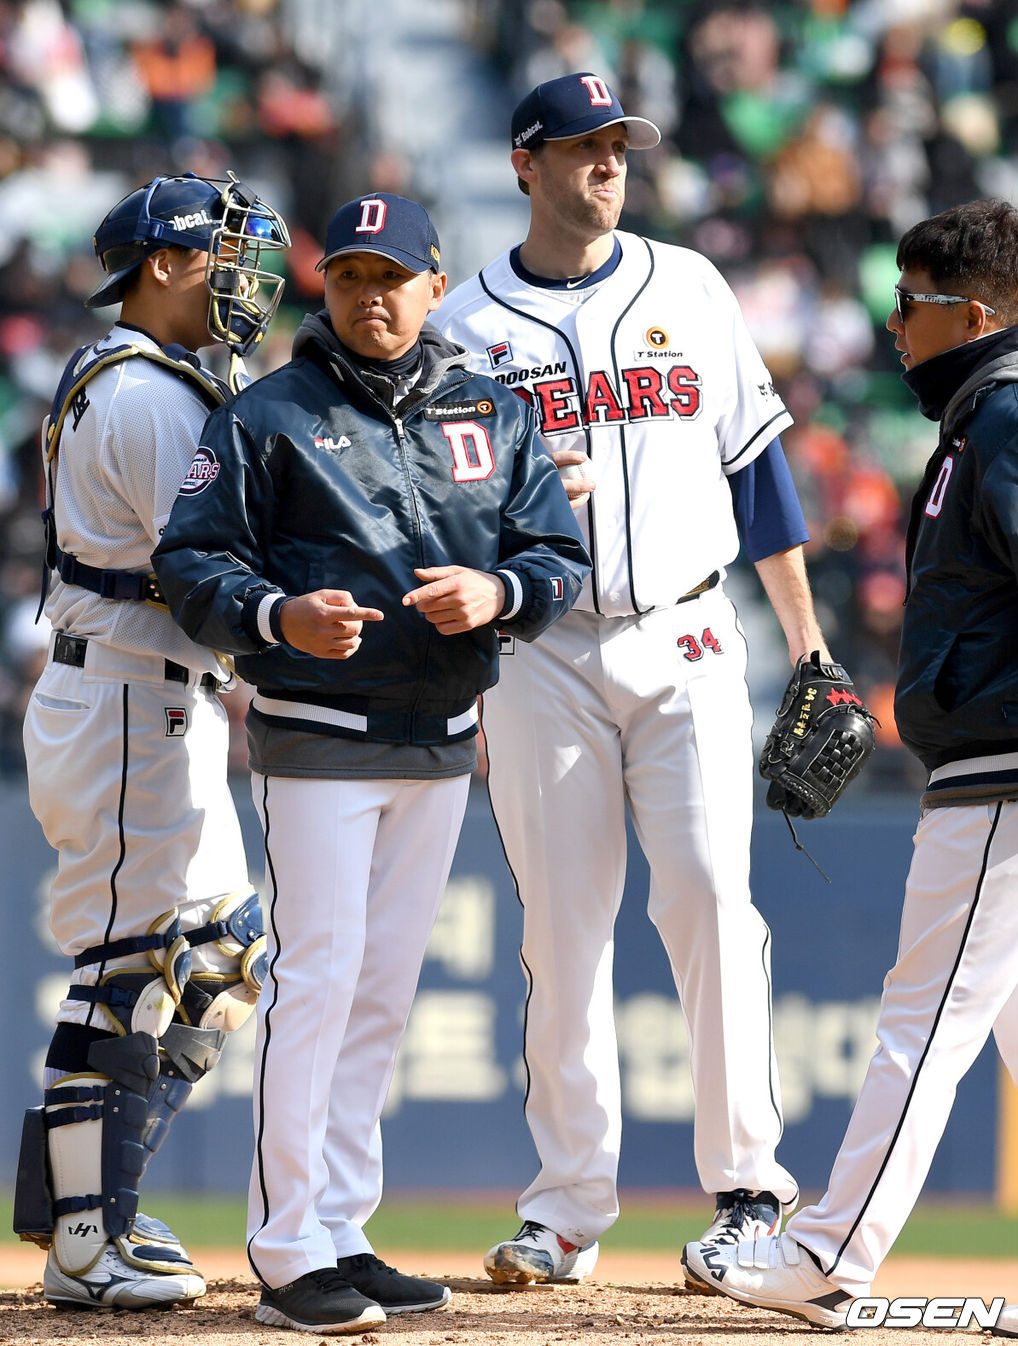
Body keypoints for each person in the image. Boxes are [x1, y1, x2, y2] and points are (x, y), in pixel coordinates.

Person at [151, 191, 591, 1335]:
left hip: (442, 738)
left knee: (382, 993)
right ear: (324, 288)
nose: (371, 294)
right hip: (318, 736)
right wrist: (274, 614)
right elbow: (190, 561)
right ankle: (290, 1243)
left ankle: (343, 1223)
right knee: (320, 980)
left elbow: (555, 552)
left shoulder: (490, 410)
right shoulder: (269, 413)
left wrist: (500, 591)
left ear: (435, 285)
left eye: (392, 275)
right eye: (349, 276)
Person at [436, 70, 834, 1287]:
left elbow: (759, 479)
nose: (607, 163)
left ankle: (751, 1190)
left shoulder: (691, 285)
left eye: (618, 144)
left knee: (713, 896)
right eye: (582, 146)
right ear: (525, 162)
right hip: (538, 648)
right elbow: (446, 510)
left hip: (688, 630)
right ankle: (564, 1210)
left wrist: (808, 642)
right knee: (561, 932)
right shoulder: (463, 322)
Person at [683, 199, 1018, 1336]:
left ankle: (829, 1253)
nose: (889, 323)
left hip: (1006, 765)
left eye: (910, 302)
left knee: (921, 1017)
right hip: (993, 754)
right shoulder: (989, 411)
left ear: (970, 312)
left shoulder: (1010, 412)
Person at [12, 172, 290, 1309]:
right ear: (168, 262)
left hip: (152, 696)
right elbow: (206, 569)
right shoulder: (143, 395)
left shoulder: (164, 383)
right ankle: (84, 1235)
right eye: (225, 253)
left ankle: (99, 1198)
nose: (247, 277)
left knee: (217, 954)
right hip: (130, 694)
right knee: (130, 964)